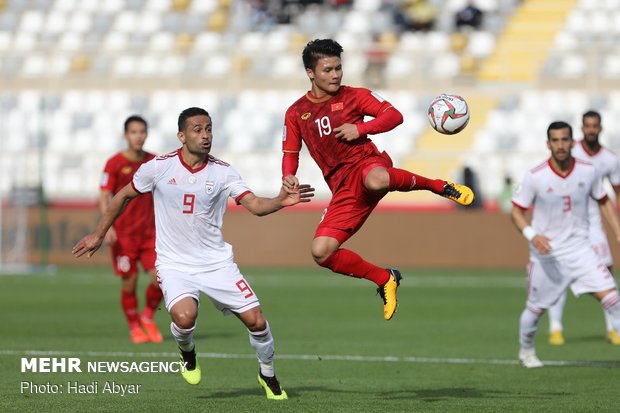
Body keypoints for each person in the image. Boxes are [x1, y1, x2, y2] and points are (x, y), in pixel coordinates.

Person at [74, 107, 314, 399]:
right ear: (181, 135)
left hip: (216, 263)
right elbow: (122, 195)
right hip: (175, 264)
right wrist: (99, 233)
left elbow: (254, 205)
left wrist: (279, 200)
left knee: (257, 321)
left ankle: (268, 375)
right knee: (185, 317)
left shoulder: (223, 171)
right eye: (198, 130)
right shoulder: (159, 167)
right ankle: (187, 354)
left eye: (209, 129)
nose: (205, 135)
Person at [281, 38, 474, 321]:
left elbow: (394, 115)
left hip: (367, 164)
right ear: (310, 73)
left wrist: (360, 129)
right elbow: (290, 152)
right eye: (327, 70)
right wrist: (288, 176)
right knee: (320, 252)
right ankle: (385, 278)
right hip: (343, 188)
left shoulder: (354, 96)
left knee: (375, 179)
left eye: (338, 68)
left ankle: (440, 186)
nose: (335, 75)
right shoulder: (296, 112)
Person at [511, 121, 620, 368]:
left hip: (582, 250)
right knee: (535, 309)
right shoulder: (535, 176)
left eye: (565, 140)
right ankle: (526, 350)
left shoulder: (588, 171)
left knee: (613, 299)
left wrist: (617, 230)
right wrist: (532, 235)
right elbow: (516, 212)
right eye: (555, 140)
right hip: (547, 256)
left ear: (573, 142)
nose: (560, 145)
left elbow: (603, 200)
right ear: (548, 144)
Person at [546, 110, 620, 345]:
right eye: (587, 126)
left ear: (600, 128)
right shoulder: (568, 149)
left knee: (606, 272)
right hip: (564, 220)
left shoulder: (610, 159)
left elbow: (615, 193)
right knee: (558, 275)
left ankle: (612, 328)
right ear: (581, 128)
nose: (590, 130)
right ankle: (555, 327)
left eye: (594, 126)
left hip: (593, 222)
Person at [100, 115, 163, 344]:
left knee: (161, 279)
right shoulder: (114, 163)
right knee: (130, 281)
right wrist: (106, 226)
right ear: (126, 135)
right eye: (134, 132)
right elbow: (105, 194)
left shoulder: (155, 162)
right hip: (124, 234)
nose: (138, 136)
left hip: (151, 233)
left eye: (142, 132)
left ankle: (147, 316)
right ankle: (134, 325)